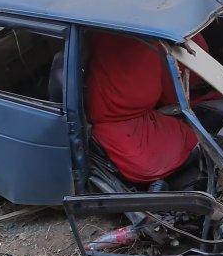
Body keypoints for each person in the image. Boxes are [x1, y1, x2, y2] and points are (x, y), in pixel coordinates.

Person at [85, 32, 201, 184]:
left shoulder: (147, 35)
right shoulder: (116, 35)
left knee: (191, 140)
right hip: (113, 123)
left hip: (144, 114)